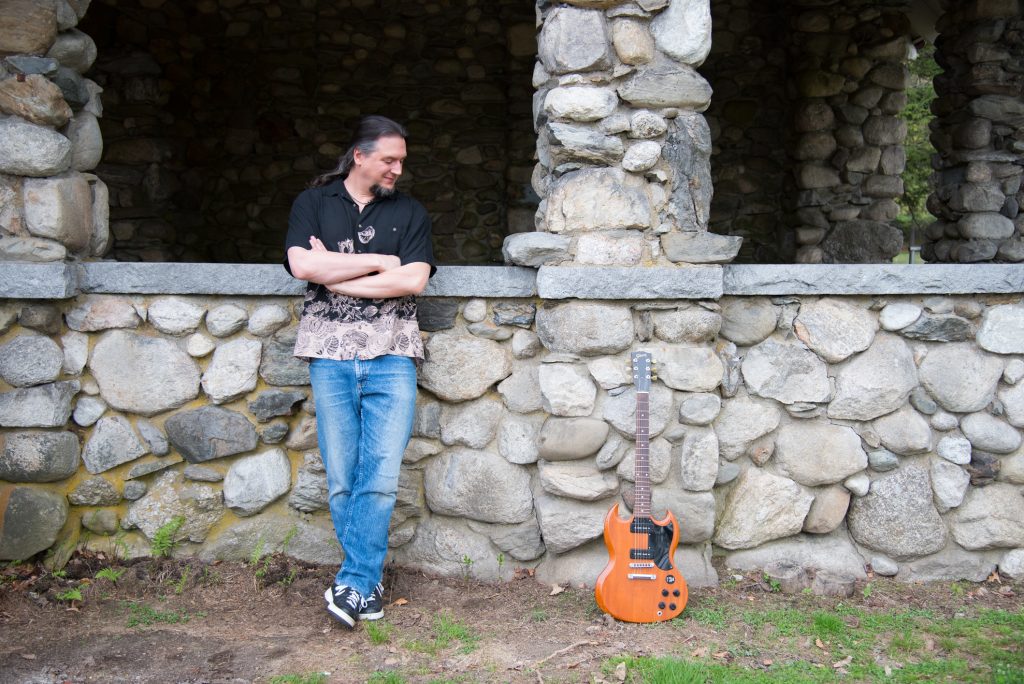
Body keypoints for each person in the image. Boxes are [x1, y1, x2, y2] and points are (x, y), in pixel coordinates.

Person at [283, 115, 435, 628]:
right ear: (360, 156)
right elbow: (304, 267)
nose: (397, 168)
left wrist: (341, 277)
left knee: (381, 477)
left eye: (401, 161)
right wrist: (379, 262)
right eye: (389, 159)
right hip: (330, 355)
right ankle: (362, 586)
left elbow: (412, 281)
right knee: (343, 477)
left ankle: (354, 582)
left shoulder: (410, 211)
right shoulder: (314, 204)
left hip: (392, 355)